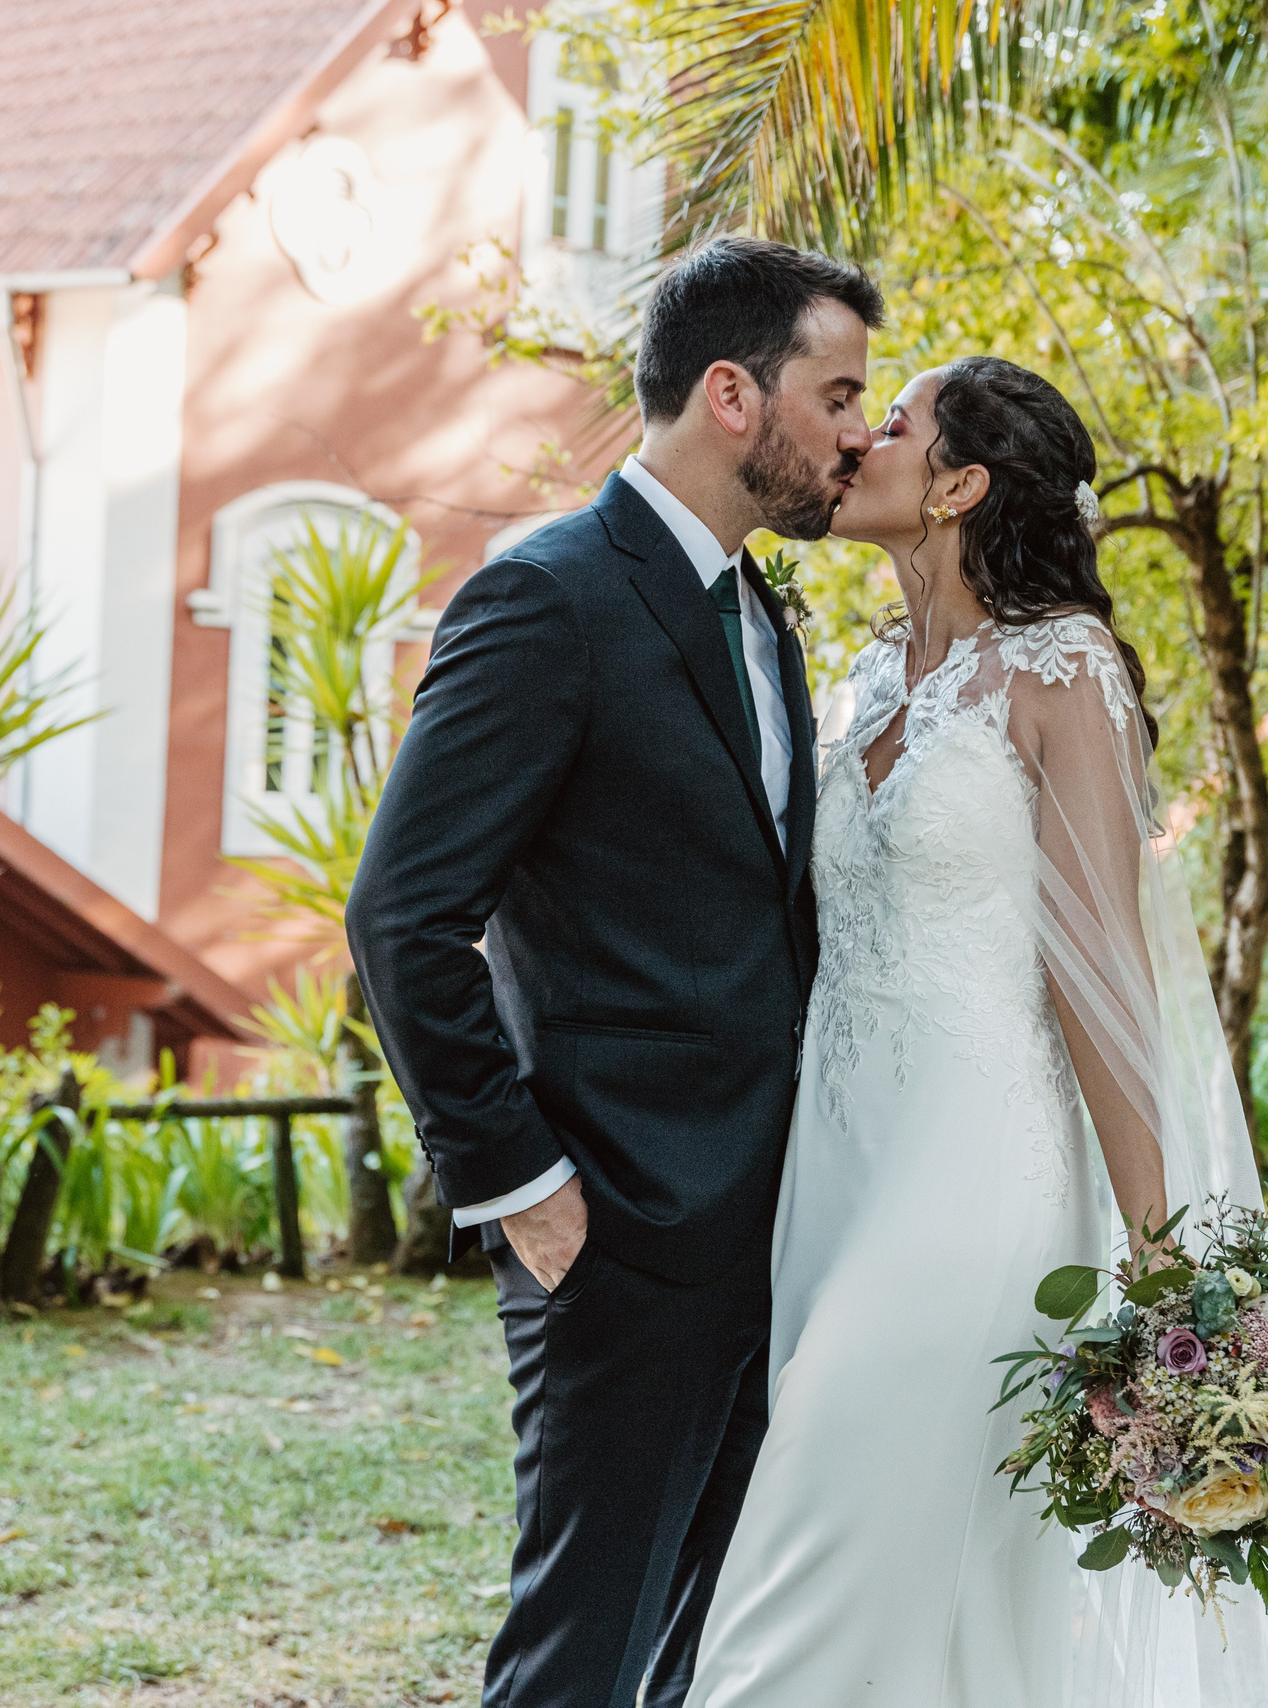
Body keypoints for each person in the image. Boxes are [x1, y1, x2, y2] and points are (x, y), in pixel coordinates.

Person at [681, 357, 1268, 1707]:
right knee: (920, 1582)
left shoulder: (1063, 671)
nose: (854, 441)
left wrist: (1164, 1251)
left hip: (976, 1181)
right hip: (833, 1171)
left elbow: (1104, 968)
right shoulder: (859, 678)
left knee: (797, 1581)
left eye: (890, 427)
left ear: (959, 485)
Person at [346, 236, 882, 1708]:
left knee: (699, 1653)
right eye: (836, 393)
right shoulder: (546, 600)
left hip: (766, 1228)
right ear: (731, 394)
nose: (858, 432)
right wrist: (521, 1183)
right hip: (617, 1233)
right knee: (578, 1658)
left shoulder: (761, 618)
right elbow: (402, 913)